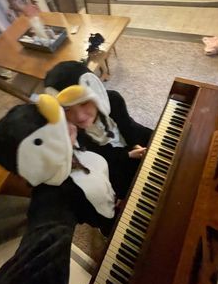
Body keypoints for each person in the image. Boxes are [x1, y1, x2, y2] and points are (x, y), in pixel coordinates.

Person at [0, 94, 116, 284]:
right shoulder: (52, 201)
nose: (69, 125)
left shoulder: (74, 139)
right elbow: (40, 254)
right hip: (97, 214)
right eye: (59, 134)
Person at [44, 61, 153, 200]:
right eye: (66, 109)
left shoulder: (113, 99)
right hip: (110, 159)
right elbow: (99, 155)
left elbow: (126, 125)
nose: (79, 116)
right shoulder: (71, 132)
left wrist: (134, 143)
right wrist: (129, 155)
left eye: (83, 103)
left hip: (129, 137)